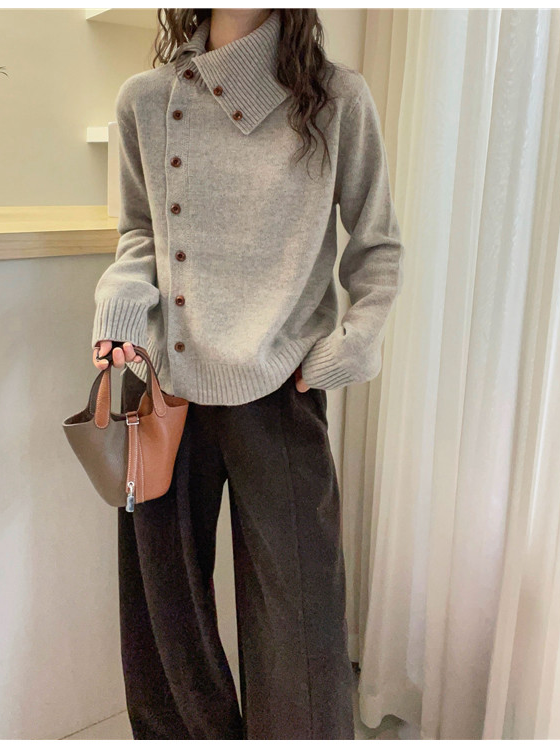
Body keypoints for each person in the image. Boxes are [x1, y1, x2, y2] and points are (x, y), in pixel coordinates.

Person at [91, 8, 404, 739]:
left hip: (282, 388)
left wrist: (355, 341)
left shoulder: (335, 99)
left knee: (302, 615)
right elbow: (140, 233)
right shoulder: (146, 98)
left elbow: (378, 247)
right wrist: (119, 303)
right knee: (165, 610)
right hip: (165, 383)